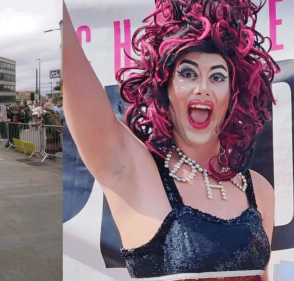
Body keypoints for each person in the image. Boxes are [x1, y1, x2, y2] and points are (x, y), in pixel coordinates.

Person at [64, 1, 277, 280]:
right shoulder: (134, 172)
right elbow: (69, 61)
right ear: (164, 88)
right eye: (188, 74)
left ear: (233, 94)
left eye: (217, 76)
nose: (203, 88)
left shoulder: (259, 189)